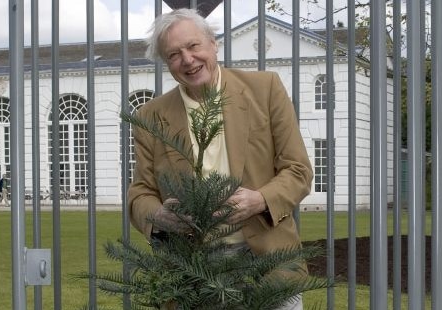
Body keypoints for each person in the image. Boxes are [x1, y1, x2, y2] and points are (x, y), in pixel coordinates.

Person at [128, 8, 312, 310]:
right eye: (174, 54)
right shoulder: (150, 117)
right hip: (194, 270)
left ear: (213, 43)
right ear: (166, 63)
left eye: (193, 46)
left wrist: (260, 199)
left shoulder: (265, 90)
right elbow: (140, 194)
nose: (187, 59)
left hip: (269, 263)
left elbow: (298, 169)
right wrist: (160, 216)